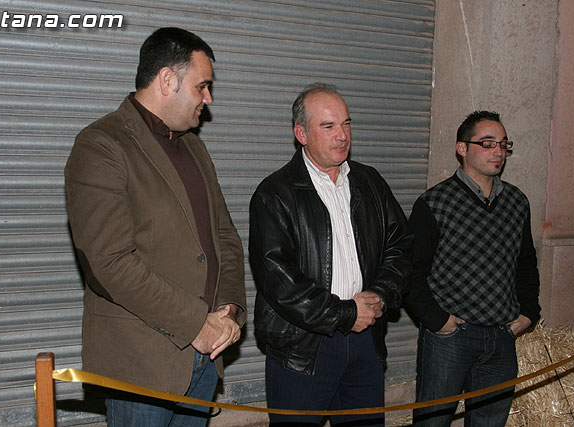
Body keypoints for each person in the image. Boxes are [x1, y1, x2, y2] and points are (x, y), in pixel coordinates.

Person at [64, 27, 246, 427]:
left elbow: (226, 239)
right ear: (167, 80)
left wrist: (228, 310)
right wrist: (195, 323)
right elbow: (108, 264)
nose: (208, 99)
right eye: (202, 86)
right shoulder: (102, 145)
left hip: (205, 357)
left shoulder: (195, 146)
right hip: (143, 365)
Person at [249, 83, 413, 426]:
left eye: (346, 124)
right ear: (301, 134)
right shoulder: (275, 194)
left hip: (366, 338)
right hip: (303, 348)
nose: (342, 135)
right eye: (328, 126)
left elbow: (400, 246)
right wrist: (344, 313)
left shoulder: (370, 182)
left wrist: (381, 294)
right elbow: (279, 280)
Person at [405, 110, 541, 426]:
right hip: (451, 338)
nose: (498, 152)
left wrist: (528, 313)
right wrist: (438, 321)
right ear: (462, 148)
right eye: (487, 143)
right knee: (432, 421)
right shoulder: (435, 202)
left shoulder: (517, 201)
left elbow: (525, 263)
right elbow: (410, 271)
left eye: (503, 144)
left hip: (501, 336)